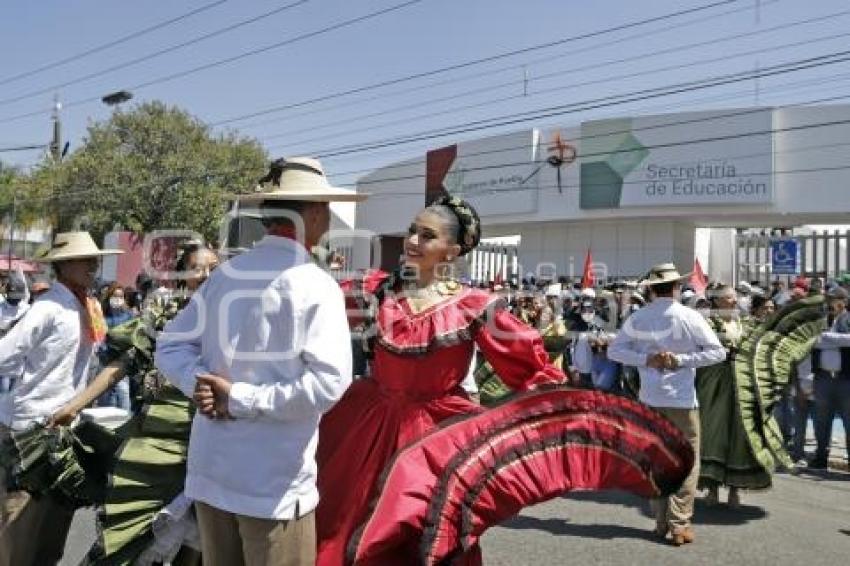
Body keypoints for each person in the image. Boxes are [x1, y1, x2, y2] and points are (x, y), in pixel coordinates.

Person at [316, 201, 695, 564]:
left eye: (427, 235)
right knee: (344, 522)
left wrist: (575, 417)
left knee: (420, 532)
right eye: (412, 231)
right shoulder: (378, 291)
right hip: (366, 426)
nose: (413, 241)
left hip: (436, 437)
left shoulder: (473, 305)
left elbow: (530, 369)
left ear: (452, 251)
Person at [155, 157, 360, 566]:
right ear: (316, 212)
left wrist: (202, 385)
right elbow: (327, 386)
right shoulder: (315, 284)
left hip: (214, 473)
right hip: (273, 485)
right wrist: (237, 398)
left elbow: (170, 347)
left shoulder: (226, 275)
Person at [50, 242, 219, 565]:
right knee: (136, 534)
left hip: (204, 443)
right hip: (155, 444)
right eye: (199, 267)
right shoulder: (165, 312)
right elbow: (123, 363)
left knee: (199, 541)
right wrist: (74, 405)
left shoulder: (233, 317)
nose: (208, 274)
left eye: (215, 267)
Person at [0, 231, 121, 565]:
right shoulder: (49, 307)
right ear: (64, 265)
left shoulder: (86, 305)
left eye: (95, 260)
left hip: (64, 425)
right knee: (21, 525)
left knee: (53, 524)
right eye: (86, 260)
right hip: (32, 425)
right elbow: (5, 355)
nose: (93, 266)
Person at [608, 263, 726, 546]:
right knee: (687, 461)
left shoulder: (639, 318)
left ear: (650, 289)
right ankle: (679, 523)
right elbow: (718, 352)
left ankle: (661, 520)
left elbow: (615, 351)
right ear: (676, 288)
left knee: (656, 461)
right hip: (682, 400)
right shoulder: (690, 316)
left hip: (650, 400)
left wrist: (646, 359)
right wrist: (682, 360)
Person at [696, 284, 769, 508]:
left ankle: (735, 490)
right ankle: (712, 488)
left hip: (740, 384)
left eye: (735, 297)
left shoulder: (744, 322)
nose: (735, 301)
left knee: (740, 434)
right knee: (714, 433)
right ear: (717, 301)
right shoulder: (707, 323)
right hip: (716, 384)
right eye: (729, 298)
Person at [808, 286, 850, 469]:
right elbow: (812, 341)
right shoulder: (821, 319)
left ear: (843, 301)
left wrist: (826, 338)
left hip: (845, 379)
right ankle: (820, 456)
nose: (829, 303)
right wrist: (836, 341)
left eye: (833, 300)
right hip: (823, 378)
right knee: (821, 421)